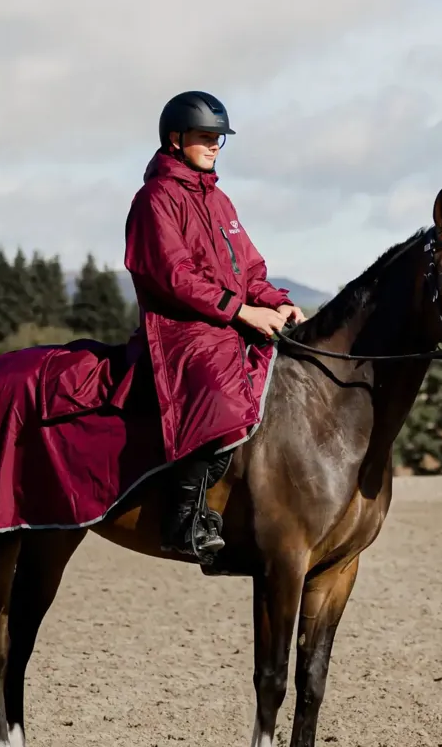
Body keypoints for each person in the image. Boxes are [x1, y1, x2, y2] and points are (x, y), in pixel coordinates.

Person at [124, 90, 306, 561]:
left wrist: (277, 302)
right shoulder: (155, 199)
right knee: (224, 398)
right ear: (174, 139)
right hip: (181, 330)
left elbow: (249, 271)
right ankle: (182, 522)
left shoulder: (220, 200)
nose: (214, 146)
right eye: (206, 137)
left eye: (219, 139)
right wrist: (242, 311)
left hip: (224, 323)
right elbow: (173, 277)